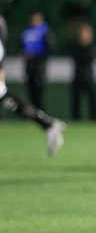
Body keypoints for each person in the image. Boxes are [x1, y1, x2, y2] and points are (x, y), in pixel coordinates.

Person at [0, 13, 65, 155]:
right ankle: (48, 125)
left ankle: (48, 125)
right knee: (3, 94)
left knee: (2, 93)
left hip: (37, 67)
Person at [21, 10, 54, 110]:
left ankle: (40, 113)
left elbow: (50, 47)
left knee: (39, 92)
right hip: (29, 66)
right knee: (30, 91)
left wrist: (37, 56)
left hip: (39, 66)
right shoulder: (27, 31)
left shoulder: (45, 30)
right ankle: (32, 114)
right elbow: (22, 46)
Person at [70, 22, 96, 121]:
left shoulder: (92, 46)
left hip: (89, 77)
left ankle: (94, 121)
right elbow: (78, 58)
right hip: (78, 77)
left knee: (93, 101)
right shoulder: (76, 47)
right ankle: (76, 121)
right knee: (76, 102)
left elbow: (92, 57)